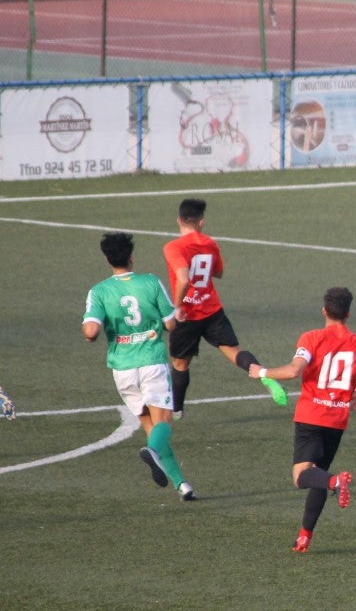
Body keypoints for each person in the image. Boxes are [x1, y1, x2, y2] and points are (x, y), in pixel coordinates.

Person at [247, 287, 356, 554]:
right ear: (348, 313)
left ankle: (335, 483)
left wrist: (261, 371)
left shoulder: (311, 338)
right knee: (318, 474)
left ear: (324, 310)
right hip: (336, 421)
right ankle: (304, 536)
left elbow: (294, 370)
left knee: (302, 477)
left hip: (310, 416)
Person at [82, 232, 195, 500]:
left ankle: (182, 485)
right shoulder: (151, 282)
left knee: (151, 428)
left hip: (122, 368)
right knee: (164, 421)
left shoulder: (98, 291)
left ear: (107, 259)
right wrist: (175, 316)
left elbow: (90, 332)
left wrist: (98, 327)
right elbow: (170, 323)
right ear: (131, 257)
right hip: (152, 362)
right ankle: (152, 452)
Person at [164, 198, 286, 416]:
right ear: (201, 222)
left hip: (188, 316)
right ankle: (263, 375)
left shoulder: (173, 247)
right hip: (211, 309)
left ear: (179, 220)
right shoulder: (210, 243)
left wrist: (178, 306)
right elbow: (218, 272)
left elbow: (183, 279)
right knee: (235, 353)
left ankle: (177, 410)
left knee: (180, 363)